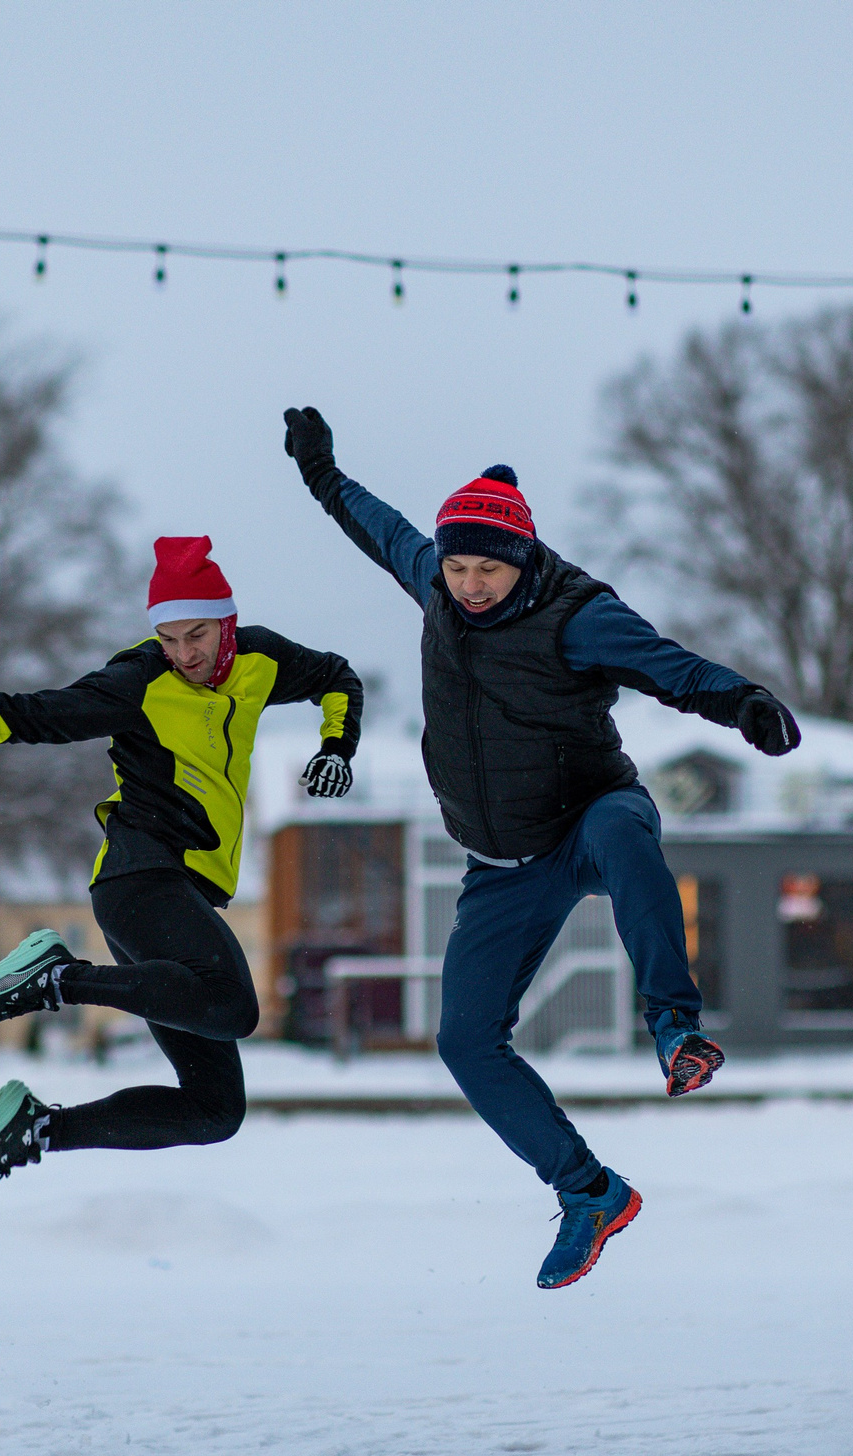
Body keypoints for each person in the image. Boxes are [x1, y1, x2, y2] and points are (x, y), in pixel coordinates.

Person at [281, 406, 802, 1289]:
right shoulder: (434, 579)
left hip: (589, 817)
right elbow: (380, 527)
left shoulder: (576, 615)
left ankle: (675, 1027)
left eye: (489, 569)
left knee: (625, 833)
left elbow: (670, 665)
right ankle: (590, 1192)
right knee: (465, 1041)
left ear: (523, 560)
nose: (471, 586)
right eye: (459, 568)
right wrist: (320, 473)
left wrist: (743, 700)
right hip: (500, 866)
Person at [0, 535, 364, 1198]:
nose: (185, 654)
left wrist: (336, 749)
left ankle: (37, 1129)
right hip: (141, 877)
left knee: (215, 1110)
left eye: (198, 635)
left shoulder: (262, 660)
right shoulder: (139, 679)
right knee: (234, 1005)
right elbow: (34, 715)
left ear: (227, 623)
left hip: (184, 892)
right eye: (170, 639)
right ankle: (56, 979)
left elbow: (337, 677)